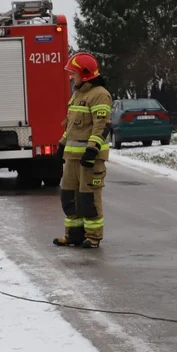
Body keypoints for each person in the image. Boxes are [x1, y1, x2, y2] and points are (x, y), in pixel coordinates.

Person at [53, 52, 112, 249]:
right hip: (72, 158)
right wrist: (61, 145)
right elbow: (71, 125)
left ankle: (93, 237)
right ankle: (74, 235)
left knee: (89, 199)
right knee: (68, 196)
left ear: (85, 74)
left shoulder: (99, 95)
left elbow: (101, 125)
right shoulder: (78, 95)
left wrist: (92, 150)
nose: (71, 77)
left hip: (89, 159)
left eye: (74, 73)